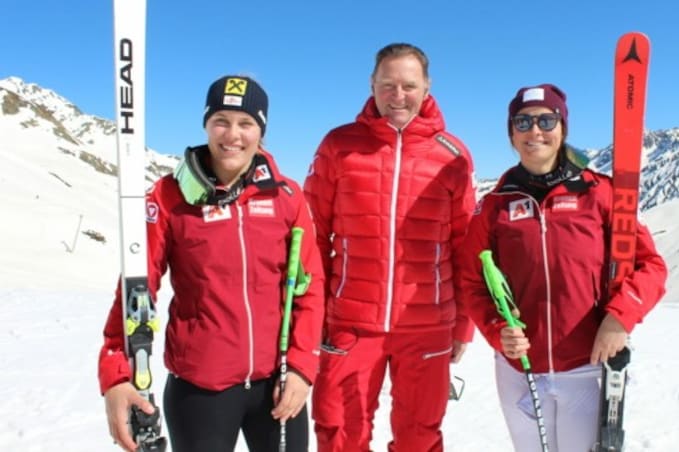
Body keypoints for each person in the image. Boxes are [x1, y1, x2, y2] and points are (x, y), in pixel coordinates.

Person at [98, 75, 325, 452]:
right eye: (221, 120)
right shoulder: (169, 196)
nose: (232, 134)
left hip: (279, 384)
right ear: (206, 124)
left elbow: (309, 286)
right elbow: (138, 286)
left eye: (246, 123)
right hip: (200, 389)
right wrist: (117, 374)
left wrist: (302, 367)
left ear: (261, 130)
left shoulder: (286, 196)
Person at [458, 83, 667, 451]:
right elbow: (471, 280)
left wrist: (620, 317)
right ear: (510, 134)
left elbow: (650, 265)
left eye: (546, 120)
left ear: (563, 129)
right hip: (519, 367)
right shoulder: (494, 205)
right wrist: (496, 330)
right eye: (522, 122)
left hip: (586, 365)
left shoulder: (601, 193)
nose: (534, 131)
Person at [303, 43, 477, 452]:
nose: (398, 96)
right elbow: (313, 235)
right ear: (372, 85)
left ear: (427, 87)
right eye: (388, 85)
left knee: (420, 437)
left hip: (428, 325)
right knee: (340, 431)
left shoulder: (452, 155)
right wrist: (315, 312)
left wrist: (463, 323)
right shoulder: (339, 145)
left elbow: (465, 246)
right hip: (351, 322)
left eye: (408, 85)